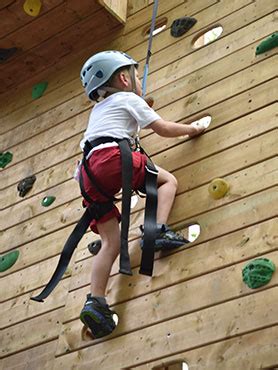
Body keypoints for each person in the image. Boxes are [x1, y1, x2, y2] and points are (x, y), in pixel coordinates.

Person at [78, 50, 205, 339]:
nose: (139, 80)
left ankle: (95, 301)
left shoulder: (98, 110)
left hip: (87, 174)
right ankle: (156, 231)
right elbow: (162, 129)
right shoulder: (128, 98)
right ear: (124, 78)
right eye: (135, 75)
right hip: (112, 159)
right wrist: (192, 129)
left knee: (109, 241)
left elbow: (115, 128)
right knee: (166, 182)